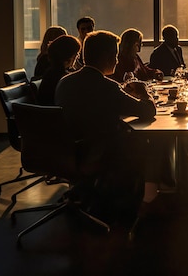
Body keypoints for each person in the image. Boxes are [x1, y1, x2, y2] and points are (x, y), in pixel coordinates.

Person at [55, 30, 157, 223]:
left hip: (65, 151)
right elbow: (148, 111)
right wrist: (143, 93)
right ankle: (136, 211)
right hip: (95, 152)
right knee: (145, 144)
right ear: (109, 57)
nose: (117, 61)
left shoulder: (64, 82)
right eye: (116, 56)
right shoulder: (106, 86)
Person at [36, 35, 80, 106]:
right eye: (76, 54)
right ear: (68, 57)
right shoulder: (64, 78)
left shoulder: (50, 72)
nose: (77, 57)